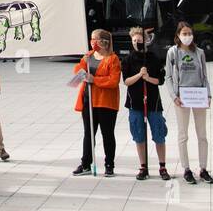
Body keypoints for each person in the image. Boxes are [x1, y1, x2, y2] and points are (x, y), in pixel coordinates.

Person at [164, 21, 213, 184]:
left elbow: (205, 75)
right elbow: (169, 77)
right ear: (178, 35)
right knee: (183, 134)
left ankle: (203, 168)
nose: (187, 36)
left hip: (198, 94)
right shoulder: (173, 52)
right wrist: (173, 96)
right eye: (184, 33)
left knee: (202, 135)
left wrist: (208, 95)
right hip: (182, 96)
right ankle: (186, 168)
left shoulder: (199, 52)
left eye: (189, 33)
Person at [121, 26, 169, 181]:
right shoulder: (128, 60)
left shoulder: (154, 58)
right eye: (134, 41)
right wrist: (139, 75)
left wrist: (147, 78)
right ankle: (143, 166)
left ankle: (162, 165)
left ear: (146, 41)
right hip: (135, 102)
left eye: (140, 40)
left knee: (159, 134)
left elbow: (160, 80)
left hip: (153, 101)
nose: (137, 43)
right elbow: (126, 81)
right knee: (138, 135)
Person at [72, 29, 121, 177]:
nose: (92, 42)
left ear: (103, 42)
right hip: (89, 101)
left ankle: (109, 164)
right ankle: (86, 163)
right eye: (91, 39)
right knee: (88, 133)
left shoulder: (113, 59)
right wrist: (82, 66)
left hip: (106, 102)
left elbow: (113, 81)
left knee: (107, 134)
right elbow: (77, 71)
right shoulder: (89, 55)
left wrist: (95, 80)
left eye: (95, 39)